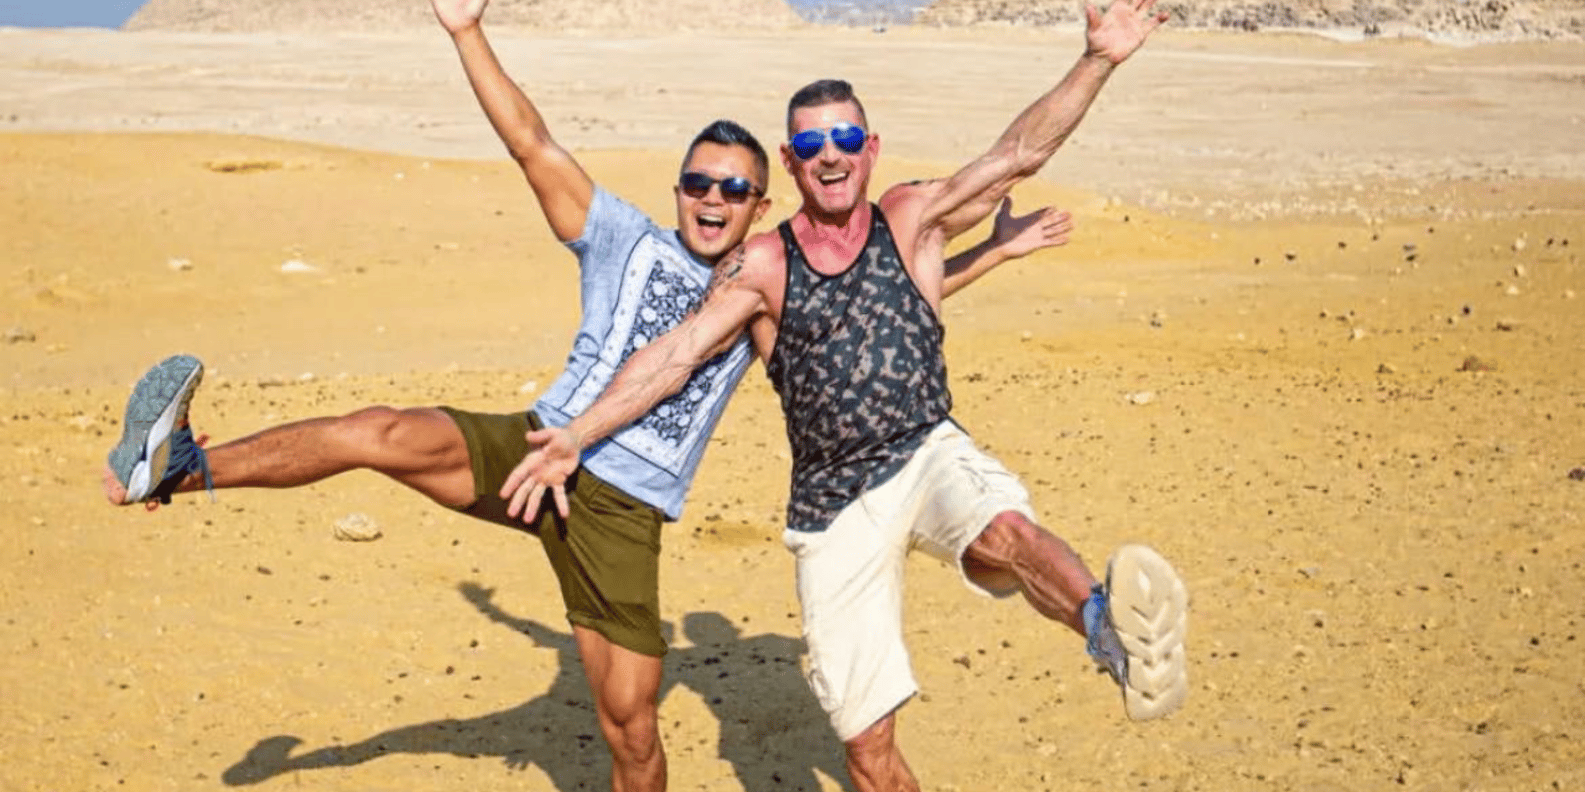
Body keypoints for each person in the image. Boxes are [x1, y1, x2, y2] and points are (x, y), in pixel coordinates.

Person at [99, 1, 1074, 789]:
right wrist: (467, 32)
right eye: (697, 182)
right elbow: (532, 141)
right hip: (536, 448)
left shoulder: (761, 287)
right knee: (376, 431)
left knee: (632, 735)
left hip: (622, 514)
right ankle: (178, 469)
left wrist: (992, 253)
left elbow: (876, 308)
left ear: (759, 203)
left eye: (732, 190)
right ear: (678, 187)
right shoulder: (619, 236)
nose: (711, 199)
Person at [503, 2, 1188, 790]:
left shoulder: (913, 218)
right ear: (790, 165)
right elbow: (674, 356)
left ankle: (1110, 633)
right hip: (832, 509)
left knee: (1004, 529)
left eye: (844, 139)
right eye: (808, 145)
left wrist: (1098, 59)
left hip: (925, 449)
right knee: (866, 745)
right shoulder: (764, 263)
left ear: (870, 149)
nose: (828, 155)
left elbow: (1016, 155)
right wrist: (575, 435)